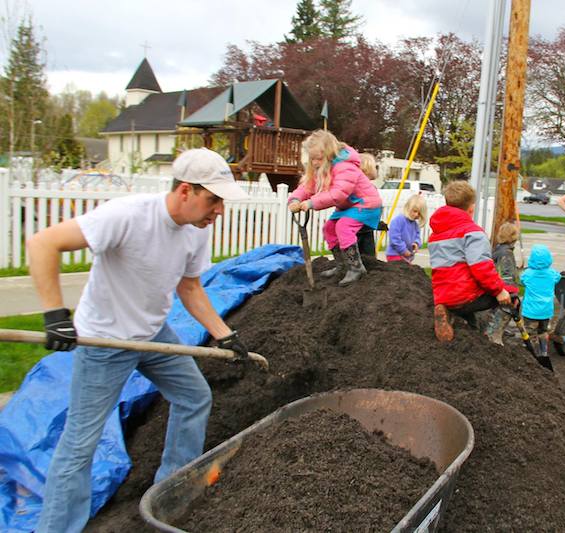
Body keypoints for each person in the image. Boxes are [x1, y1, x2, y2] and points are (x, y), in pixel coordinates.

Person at [27, 148, 251, 533]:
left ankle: (170, 493)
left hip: (153, 334)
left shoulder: (195, 230)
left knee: (194, 397)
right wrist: (54, 314)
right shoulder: (128, 215)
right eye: (213, 200)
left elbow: (190, 287)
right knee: (81, 443)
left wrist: (224, 334)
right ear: (185, 190)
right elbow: (42, 243)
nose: (219, 211)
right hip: (106, 340)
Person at [288, 130, 382, 285]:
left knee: (343, 226)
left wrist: (311, 203)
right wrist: (295, 199)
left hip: (365, 203)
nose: (315, 163)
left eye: (318, 158)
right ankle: (342, 265)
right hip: (348, 206)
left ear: (329, 154)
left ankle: (356, 268)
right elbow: (307, 187)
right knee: (329, 229)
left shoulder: (346, 167)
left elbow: (338, 194)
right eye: (312, 159)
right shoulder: (322, 169)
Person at [429, 180, 514, 342]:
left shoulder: (435, 235)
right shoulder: (473, 233)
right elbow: (482, 268)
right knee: (512, 297)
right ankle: (493, 338)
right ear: (471, 208)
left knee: (471, 321)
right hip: (465, 295)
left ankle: (454, 317)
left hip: (443, 295)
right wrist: (499, 291)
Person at [519, 244, 562, 358]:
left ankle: (531, 353)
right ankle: (544, 352)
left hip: (530, 311)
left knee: (530, 332)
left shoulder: (528, 274)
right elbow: (558, 277)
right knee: (543, 331)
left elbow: (521, 281)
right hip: (546, 311)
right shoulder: (552, 274)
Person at [486, 222, 521, 345]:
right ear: (513, 237)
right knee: (505, 312)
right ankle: (494, 339)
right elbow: (507, 276)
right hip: (504, 294)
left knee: (495, 315)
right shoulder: (506, 254)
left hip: (496, 290)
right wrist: (513, 295)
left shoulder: (498, 249)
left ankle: (495, 331)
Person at [386, 195, 427, 263]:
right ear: (408, 208)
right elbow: (394, 238)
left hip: (407, 256)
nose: (416, 215)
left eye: (419, 213)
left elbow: (417, 237)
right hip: (395, 255)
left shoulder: (415, 225)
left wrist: (416, 243)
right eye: (415, 211)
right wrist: (403, 250)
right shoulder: (398, 220)